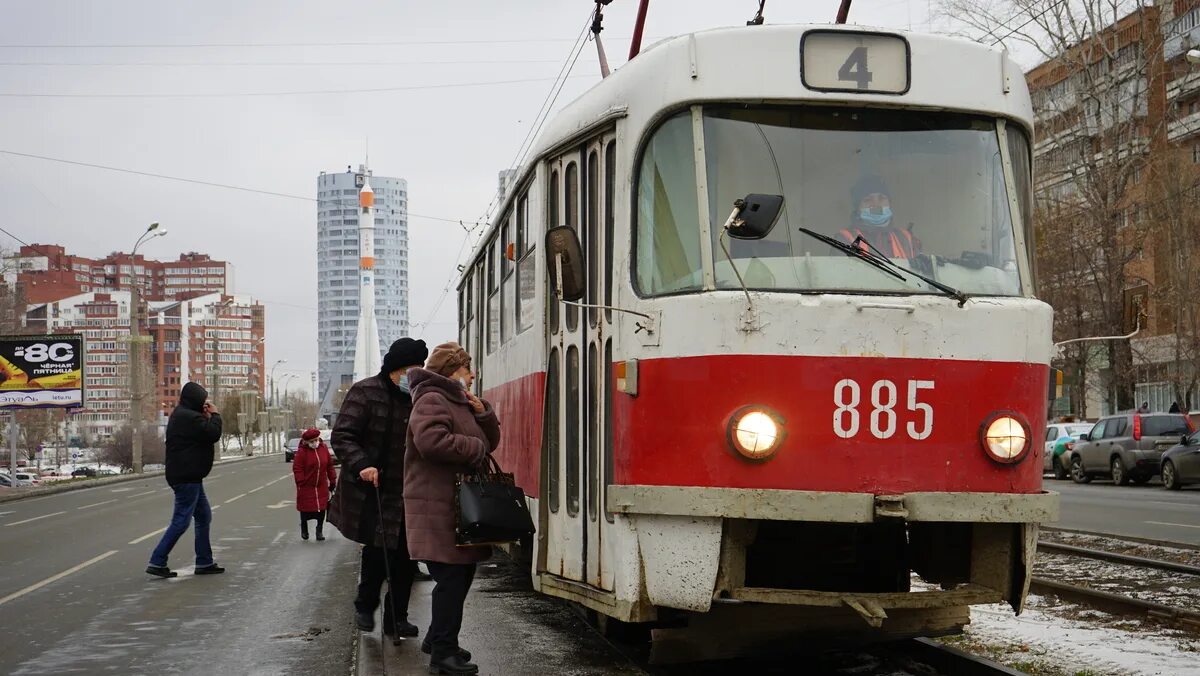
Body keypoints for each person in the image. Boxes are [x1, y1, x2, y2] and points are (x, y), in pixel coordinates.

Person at [405, 342, 500, 676]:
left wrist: (483, 413)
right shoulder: (432, 399)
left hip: (454, 506)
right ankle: (442, 654)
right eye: (466, 369)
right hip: (436, 506)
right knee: (452, 580)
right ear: (450, 371)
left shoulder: (458, 400)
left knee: (460, 576)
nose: (472, 375)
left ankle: (438, 638)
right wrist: (473, 446)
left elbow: (491, 442)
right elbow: (431, 443)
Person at [328, 337, 427, 640]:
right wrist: (361, 465)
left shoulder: (419, 396)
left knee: (407, 560)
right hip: (371, 489)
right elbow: (343, 435)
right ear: (395, 370)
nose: (414, 378)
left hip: (408, 489)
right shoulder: (365, 392)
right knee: (377, 553)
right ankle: (365, 605)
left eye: (419, 371)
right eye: (410, 371)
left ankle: (397, 618)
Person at [147, 382, 225, 578]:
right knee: (181, 520)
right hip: (186, 477)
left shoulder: (185, 415)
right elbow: (212, 434)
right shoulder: (188, 417)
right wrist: (215, 415)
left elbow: (202, 434)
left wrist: (207, 417)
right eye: (203, 400)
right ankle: (157, 560)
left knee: (203, 516)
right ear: (195, 400)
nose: (205, 403)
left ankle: (204, 561)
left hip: (190, 475)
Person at [839, 174, 918, 259]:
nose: (876, 205)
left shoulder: (906, 238)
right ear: (858, 208)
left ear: (889, 204)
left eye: (882, 198)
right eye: (868, 200)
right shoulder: (845, 238)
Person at [293, 428, 337, 541]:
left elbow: (329, 466)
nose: (315, 443)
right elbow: (297, 468)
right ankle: (304, 528)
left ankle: (319, 530)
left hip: (321, 484)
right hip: (307, 485)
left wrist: (332, 480)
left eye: (316, 440)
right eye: (312, 441)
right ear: (307, 442)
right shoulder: (302, 452)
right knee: (305, 508)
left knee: (322, 508)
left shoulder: (323, 448)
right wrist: (301, 481)